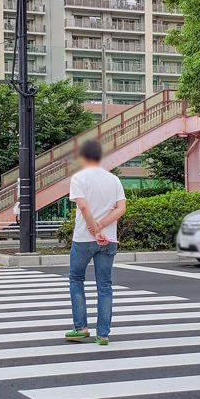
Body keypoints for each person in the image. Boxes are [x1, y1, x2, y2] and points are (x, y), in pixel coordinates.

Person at [65, 139, 126, 345]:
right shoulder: (113, 179)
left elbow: (83, 207)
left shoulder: (78, 178)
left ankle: (81, 328)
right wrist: (102, 226)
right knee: (105, 286)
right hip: (109, 240)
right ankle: (103, 334)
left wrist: (93, 228)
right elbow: (121, 209)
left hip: (83, 238)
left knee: (76, 279)